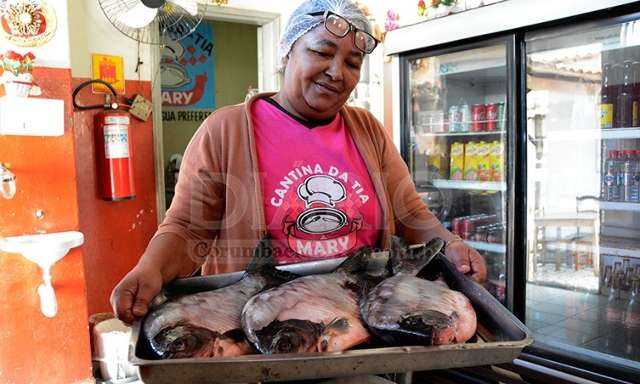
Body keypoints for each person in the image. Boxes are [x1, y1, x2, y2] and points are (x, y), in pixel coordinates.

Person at [111, 0, 486, 324]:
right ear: (287, 52)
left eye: (352, 62)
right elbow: (188, 228)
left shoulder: (367, 130)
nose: (337, 72)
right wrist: (150, 269)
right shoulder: (225, 131)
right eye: (322, 53)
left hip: (359, 315)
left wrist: (450, 243)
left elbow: (411, 213)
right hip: (257, 322)